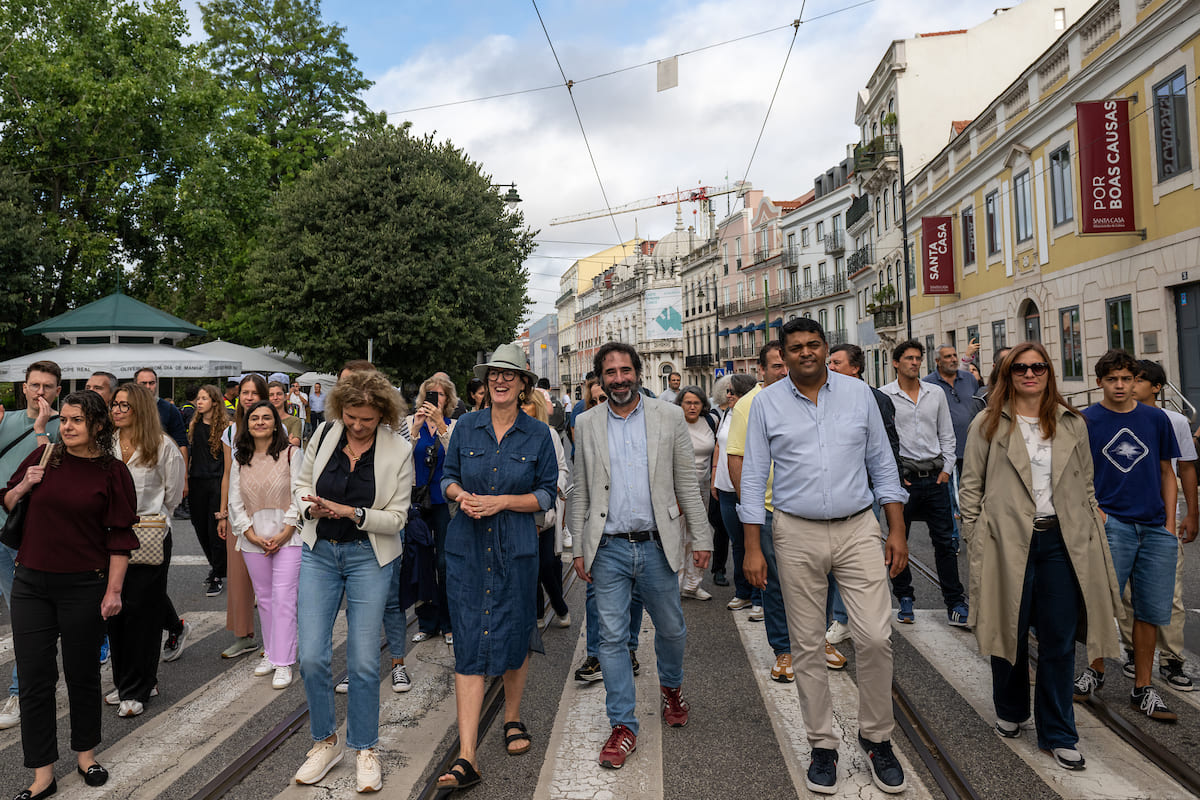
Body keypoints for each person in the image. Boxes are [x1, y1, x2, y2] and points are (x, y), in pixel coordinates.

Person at [741, 318, 909, 795]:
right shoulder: (767, 404)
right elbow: (752, 478)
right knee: (808, 645)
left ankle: (877, 738)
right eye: (795, 348)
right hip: (795, 532)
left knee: (875, 637)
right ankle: (823, 745)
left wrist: (895, 529)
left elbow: (882, 463)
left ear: (826, 347)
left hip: (858, 527)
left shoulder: (859, 395)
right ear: (784, 354)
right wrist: (753, 547)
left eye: (813, 345)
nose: (805, 353)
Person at [959, 342, 1121, 771]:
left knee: (1058, 640)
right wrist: (974, 537)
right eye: (1020, 368)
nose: (1030, 374)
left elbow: (1087, 484)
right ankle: (1011, 710)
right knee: (1006, 631)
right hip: (1005, 543)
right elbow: (970, 487)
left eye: (1039, 367)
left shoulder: (1072, 423)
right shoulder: (987, 423)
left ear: (1049, 372)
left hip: (1061, 543)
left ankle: (1058, 732)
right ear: (1008, 375)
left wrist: (1092, 524)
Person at [570, 342, 712, 771]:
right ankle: (623, 725)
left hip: (657, 544)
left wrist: (701, 537)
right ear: (600, 379)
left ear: (638, 373)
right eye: (610, 372)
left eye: (625, 370)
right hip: (609, 547)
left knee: (672, 629)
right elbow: (582, 490)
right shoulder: (586, 423)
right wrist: (579, 545)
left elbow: (686, 482)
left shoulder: (668, 417)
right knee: (611, 639)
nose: (619, 378)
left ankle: (671, 686)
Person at [436, 343, 557, 791]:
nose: (500, 381)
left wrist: (503, 501)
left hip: (517, 548)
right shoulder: (465, 427)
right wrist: (459, 495)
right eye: (493, 376)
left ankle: (512, 716)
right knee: (469, 637)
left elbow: (546, 494)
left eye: (509, 375)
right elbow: (446, 477)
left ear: (524, 383)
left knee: (515, 627)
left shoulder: (538, 435)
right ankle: (467, 755)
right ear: (485, 384)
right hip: (467, 548)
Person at [4, 391, 137, 798]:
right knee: (33, 679)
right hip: (30, 583)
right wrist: (24, 485)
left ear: (98, 425)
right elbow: (7, 502)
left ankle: (85, 755)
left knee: (81, 674)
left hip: (84, 584)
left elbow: (120, 537)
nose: (68, 427)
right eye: (64, 420)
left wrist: (114, 590)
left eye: (77, 420)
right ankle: (42, 773)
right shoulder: (45, 457)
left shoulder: (113, 472)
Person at [292, 369, 413, 793]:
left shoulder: (399, 449)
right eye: (351, 416)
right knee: (310, 656)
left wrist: (351, 513)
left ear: (382, 413)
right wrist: (311, 509)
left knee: (362, 661)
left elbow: (398, 517)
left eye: (367, 418)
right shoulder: (325, 435)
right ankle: (326, 742)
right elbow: (301, 485)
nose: (358, 426)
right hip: (319, 554)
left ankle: (365, 748)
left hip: (369, 557)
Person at [1073, 349, 1182, 722]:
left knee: (1150, 610)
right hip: (1112, 523)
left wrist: (1169, 522)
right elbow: (1079, 474)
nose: (1120, 386)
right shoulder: (1086, 420)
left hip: (1154, 526)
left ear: (1137, 381)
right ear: (1100, 381)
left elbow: (1168, 471)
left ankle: (1144, 687)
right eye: (1112, 379)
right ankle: (1095, 670)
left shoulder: (1156, 419)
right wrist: (1098, 515)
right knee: (1102, 603)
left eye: (1127, 378)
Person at [1116, 360, 1200, 690]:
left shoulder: (1175, 421)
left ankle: (1171, 658)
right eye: (1127, 378)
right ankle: (1133, 652)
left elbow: (1186, 470)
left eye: (1138, 379)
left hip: (1162, 519)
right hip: (1122, 519)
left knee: (1171, 593)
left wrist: (1190, 514)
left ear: (1156, 388)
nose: (1131, 384)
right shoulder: (1115, 417)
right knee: (1125, 593)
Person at [107, 383, 186, 718]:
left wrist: (156, 519)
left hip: (149, 535)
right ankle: (128, 681)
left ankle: (138, 687)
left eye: (125, 405)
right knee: (115, 613)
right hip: (109, 538)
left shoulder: (162, 446)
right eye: (115, 404)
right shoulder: (105, 444)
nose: (118, 410)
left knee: (144, 613)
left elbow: (174, 494)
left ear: (139, 408)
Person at [727, 344, 805, 678]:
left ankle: (816, 642)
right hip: (771, 509)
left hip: (808, 508)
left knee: (817, 580)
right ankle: (784, 649)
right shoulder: (748, 405)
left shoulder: (802, 397)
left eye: (785, 365)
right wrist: (751, 510)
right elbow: (736, 458)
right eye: (776, 367)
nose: (783, 372)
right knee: (774, 584)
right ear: (761, 370)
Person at [881, 339, 969, 626]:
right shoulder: (885, 396)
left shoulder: (936, 394)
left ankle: (955, 602)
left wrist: (947, 468)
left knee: (945, 543)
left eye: (918, 358)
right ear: (896, 363)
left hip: (935, 477)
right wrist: (894, 475)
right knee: (898, 541)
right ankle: (905, 597)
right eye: (908, 358)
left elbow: (947, 433)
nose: (914, 363)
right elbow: (883, 441)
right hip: (903, 481)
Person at [825, 343, 902, 660]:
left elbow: (888, 447)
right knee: (831, 561)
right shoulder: (824, 396)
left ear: (856, 367)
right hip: (830, 492)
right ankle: (843, 617)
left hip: (864, 492)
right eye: (829, 362)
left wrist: (889, 492)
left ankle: (849, 621)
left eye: (837, 362)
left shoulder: (876, 399)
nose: (830, 367)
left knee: (864, 561)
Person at [0, 361, 62, 734]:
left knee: (27, 616)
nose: (40, 392)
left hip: (35, 536)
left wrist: (44, 428)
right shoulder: (5, 422)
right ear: (23, 387)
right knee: (19, 612)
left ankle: (20, 691)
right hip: (1, 532)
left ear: (57, 390)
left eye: (48, 386)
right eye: (34, 385)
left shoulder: (63, 425)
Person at [229, 401, 302, 690]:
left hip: (289, 536)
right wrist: (248, 533)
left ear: (276, 423)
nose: (260, 422)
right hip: (253, 539)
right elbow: (234, 501)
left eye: (266, 418)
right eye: (254, 418)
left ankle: (284, 662)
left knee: (284, 597)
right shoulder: (240, 459)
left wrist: (287, 530)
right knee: (266, 598)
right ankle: (271, 654)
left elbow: (300, 493)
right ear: (246, 425)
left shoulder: (291, 454)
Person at [216, 374, 268, 660]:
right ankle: (243, 635)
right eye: (244, 392)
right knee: (238, 576)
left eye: (253, 392)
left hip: (270, 508)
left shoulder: (277, 427)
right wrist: (223, 513)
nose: (248, 397)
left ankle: (280, 636)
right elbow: (226, 474)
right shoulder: (230, 431)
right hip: (238, 510)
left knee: (273, 577)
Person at [407, 375, 458, 646]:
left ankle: (449, 622)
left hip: (445, 504)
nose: (433, 399)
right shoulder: (410, 424)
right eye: (429, 394)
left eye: (438, 395)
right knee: (422, 562)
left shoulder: (455, 426)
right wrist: (415, 431)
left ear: (447, 400)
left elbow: (458, 456)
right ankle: (426, 621)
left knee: (445, 563)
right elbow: (402, 459)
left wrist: (440, 426)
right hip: (419, 503)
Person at [522, 391, 571, 627]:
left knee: (546, 564)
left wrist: (553, 490)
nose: (522, 407)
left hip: (545, 510)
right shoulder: (513, 435)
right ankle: (537, 612)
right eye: (520, 403)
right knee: (527, 565)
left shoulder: (549, 434)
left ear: (537, 407)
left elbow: (562, 468)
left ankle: (559, 605)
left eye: (528, 404)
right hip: (519, 509)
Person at [715, 373, 760, 617]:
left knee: (756, 544)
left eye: (732, 392)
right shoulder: (726, 413)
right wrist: (714, 478)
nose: (728, 395)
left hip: (745, 489)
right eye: (727, 391)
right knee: (738, 544)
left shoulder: (752, 414)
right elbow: (719, 446)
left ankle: (759, 596)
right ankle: (743, 592)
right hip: (724, 488)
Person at [188, 386, 230, 599]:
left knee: (216, 532)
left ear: (215, 402)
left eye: (204, 398)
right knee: (200, 527)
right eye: (198, 398)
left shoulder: (226, 427)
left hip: (216, 482)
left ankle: (217, 574)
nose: (199, 401)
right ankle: (217, 566)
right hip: (196, 482)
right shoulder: (194, 425)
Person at [676, 386, 715, 602]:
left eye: (696, 403)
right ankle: (677, 583)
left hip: (703, 486)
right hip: (678, 487)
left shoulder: (710, 422)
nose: (692, 407)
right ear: (680, 404)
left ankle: (694, 584)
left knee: (699, 535)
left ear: (703, 405)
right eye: (687, 402)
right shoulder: (674, 424)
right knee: (678, 536)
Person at [268, 381, 303, 447]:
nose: (275, 398)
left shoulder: (294, 420)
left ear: (285, 397)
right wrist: (287, 440)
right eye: (271, 395)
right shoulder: (263, 420)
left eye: (279, 394)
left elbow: (295, 443)